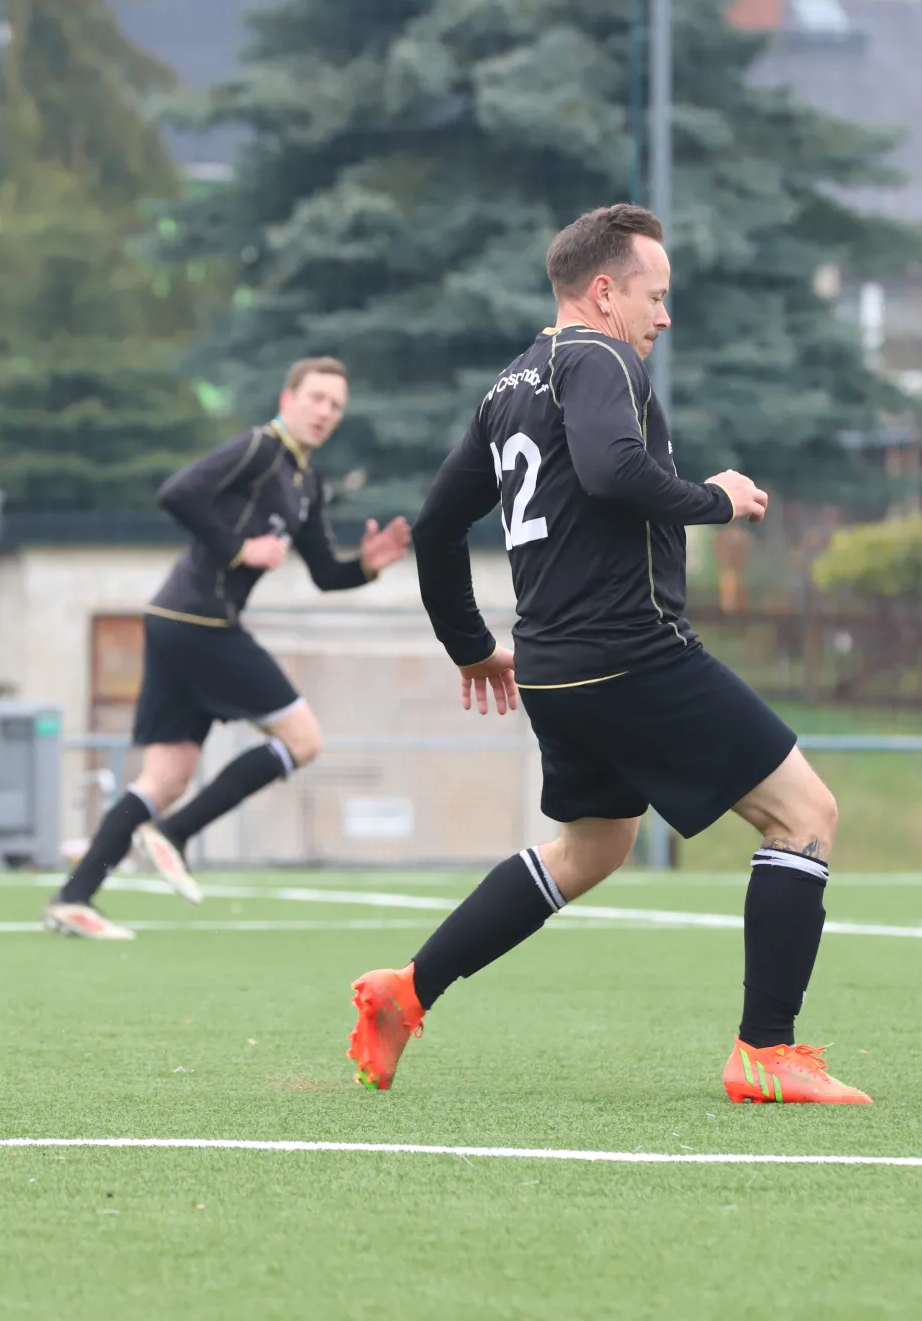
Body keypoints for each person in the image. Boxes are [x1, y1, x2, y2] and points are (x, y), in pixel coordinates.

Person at [345, 203, 869, 1105]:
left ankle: (409, 990)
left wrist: (472, 647)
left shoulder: (509, 384)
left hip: (555, 669)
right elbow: (611, 469)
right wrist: (715, 497)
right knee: (804, 813)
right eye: (654, 297)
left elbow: (434, 526)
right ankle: (766, 1051)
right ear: (602, 292)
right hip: (632, 652)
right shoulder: (599, 357)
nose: (664, 316)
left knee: (592, 847)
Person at [43, 357, 412, 940]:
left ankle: (73, 897)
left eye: (335, 406)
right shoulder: (260, 449)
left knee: (165, 778)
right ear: (287, 398)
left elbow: (323, 573)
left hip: (177, 623)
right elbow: (177, 493)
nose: (324, 412)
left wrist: (364, 567)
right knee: (303, 739)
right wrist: (239, 548)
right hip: (198, 620)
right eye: (316, 398)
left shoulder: (307, 482)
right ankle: (176, 833)